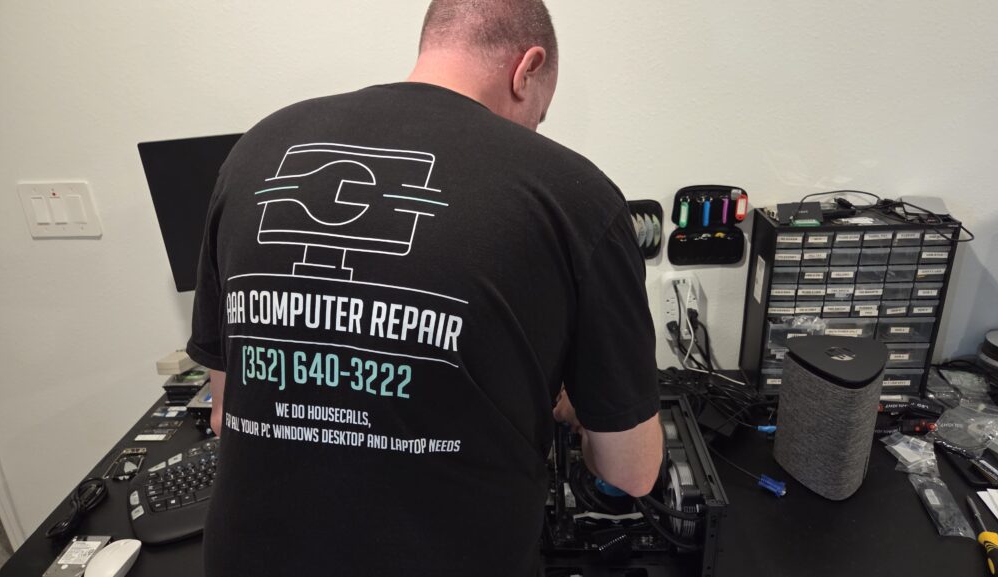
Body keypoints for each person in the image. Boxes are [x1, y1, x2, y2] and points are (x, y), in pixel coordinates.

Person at [187, 1, 662, 575]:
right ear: (527, 68)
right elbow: (632, 471)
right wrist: (581, 416)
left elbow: (224, 410)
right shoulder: (575, 193)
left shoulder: (257, 150)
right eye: (542, 112)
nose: (536, 128)